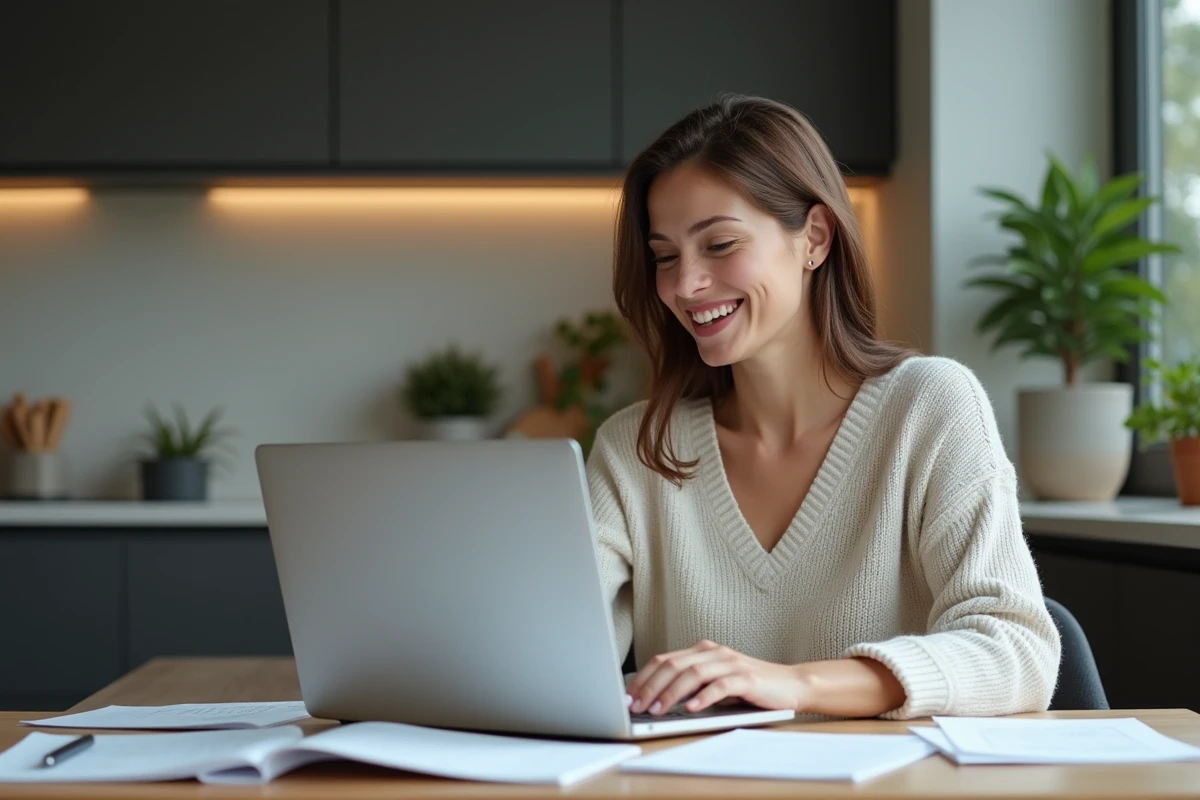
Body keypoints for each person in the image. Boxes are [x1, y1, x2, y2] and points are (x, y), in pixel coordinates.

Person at [587, 94, 1061, 721]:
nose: (684, 284)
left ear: (813, 237)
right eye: (665, 256)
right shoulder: (635, 450)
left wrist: (794, 685)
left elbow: (1017, 651)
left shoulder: (930, 408)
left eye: (720, 244)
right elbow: (552, 656)